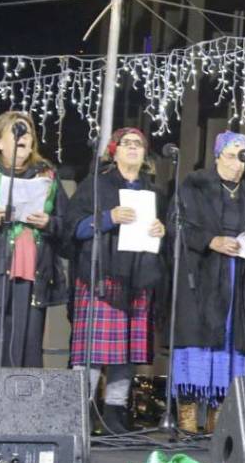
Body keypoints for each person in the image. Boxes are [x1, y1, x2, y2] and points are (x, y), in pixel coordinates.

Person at [65, 127, 168, 434]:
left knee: (127, 351)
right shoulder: (95, 185)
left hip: (139, 278)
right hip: (101, 276)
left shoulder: (154, 193)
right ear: (115, 150)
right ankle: (80, 413)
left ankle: (114, 414)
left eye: (139, 144)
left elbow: (166, 240)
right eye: (127, 143)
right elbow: (75, 228)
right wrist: (109, 217)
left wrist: (161, 232)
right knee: (92, 352)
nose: (134, 148)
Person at [170, 131, 245, 432]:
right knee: (197, 344)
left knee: (232, 345)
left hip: (238, 277)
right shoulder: (194, 184)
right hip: (201, 276)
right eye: (232, 155)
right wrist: (211, 240)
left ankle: (219, 425)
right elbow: (177, 226)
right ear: (217, 157)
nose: (238, 163)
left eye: (244, 156)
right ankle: (187, 423)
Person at [0, 111, 69, 367]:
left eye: (27, 132)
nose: (23, 137)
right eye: (15, 131)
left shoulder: (47, 175)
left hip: (32, 274)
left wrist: (49, 223)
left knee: (26, 353)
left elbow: (67, 225)